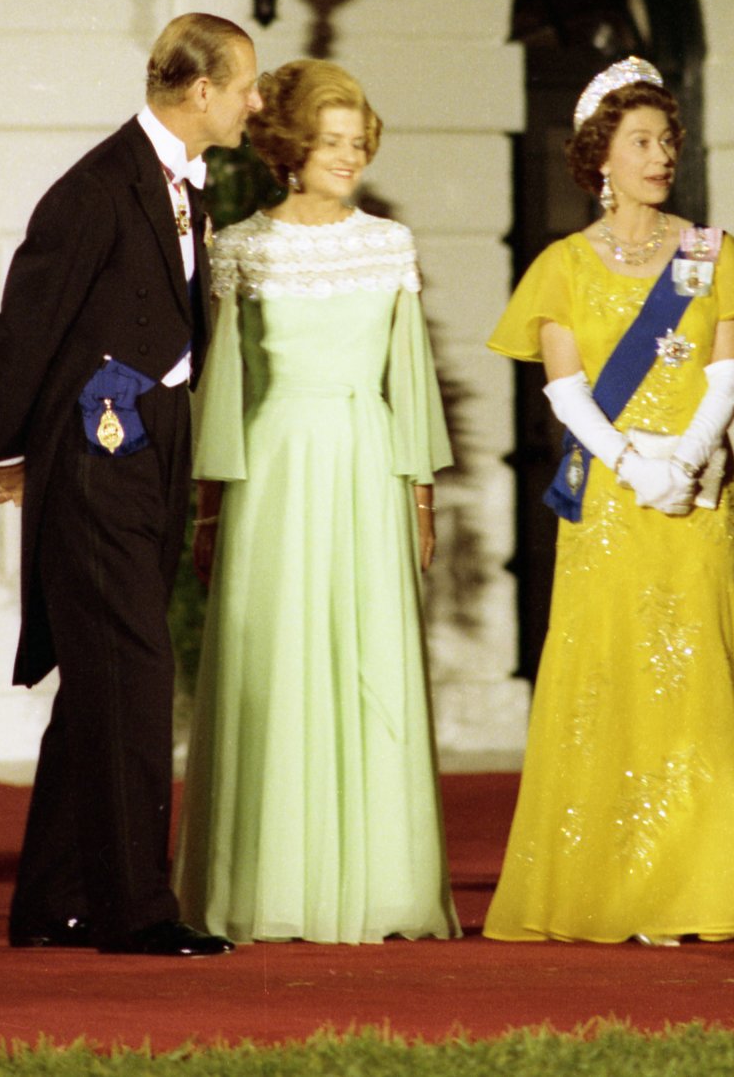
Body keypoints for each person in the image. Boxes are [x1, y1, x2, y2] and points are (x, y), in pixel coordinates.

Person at [483, 57, 734, 945]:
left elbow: (731, 371)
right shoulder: (562, 264)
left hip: (701, 495)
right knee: (614, 675)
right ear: (602, 155)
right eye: (642, 141)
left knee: (700, 670)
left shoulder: (713, 253)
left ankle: (704, 887)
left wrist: (689, 459)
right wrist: (637, 468)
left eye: (667, 140)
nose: (661, 155)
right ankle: (617, 890)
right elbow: (564, 391)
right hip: (614, 499)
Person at [0, 12, 262, 956]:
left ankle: (52, 902)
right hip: (95, 463)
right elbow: (21, 327)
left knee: (102, 685)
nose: (255, 103)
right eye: (246, 86)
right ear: (200, 93)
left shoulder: (185, 185)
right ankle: (134, 912)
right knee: (136, 679)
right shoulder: (96, 190)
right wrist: (6, 453)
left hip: (150, 457)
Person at [173, 59, 460, 945]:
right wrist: (213, 506)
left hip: (369, 462)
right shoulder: (239, 248)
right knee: (274, 665)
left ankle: (384, 891)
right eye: (332, 143)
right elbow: (224, 385)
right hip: (273, 468)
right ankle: (268, 888)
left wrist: (421, 495)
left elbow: (408, 377)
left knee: (371, 660)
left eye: (358, 141)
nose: (349, 157)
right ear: (292, 148)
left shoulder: (387, 244)